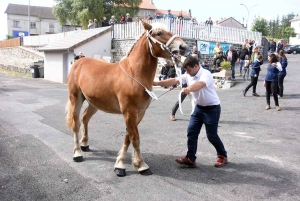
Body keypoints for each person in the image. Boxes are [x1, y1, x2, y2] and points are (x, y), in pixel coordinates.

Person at [153, 56, 228, 168]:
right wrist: (157, 83)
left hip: (212, 109)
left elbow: (200, 84)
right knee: (191, 131)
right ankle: (190, 158)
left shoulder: (205, 74)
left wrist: (189, 89)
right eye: (186, 71)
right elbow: (174, 80)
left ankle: (222, 155)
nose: (187, 72)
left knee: (211, 136)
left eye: (189, 70)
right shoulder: (188, 74)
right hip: (199, 108)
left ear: (196, 66)